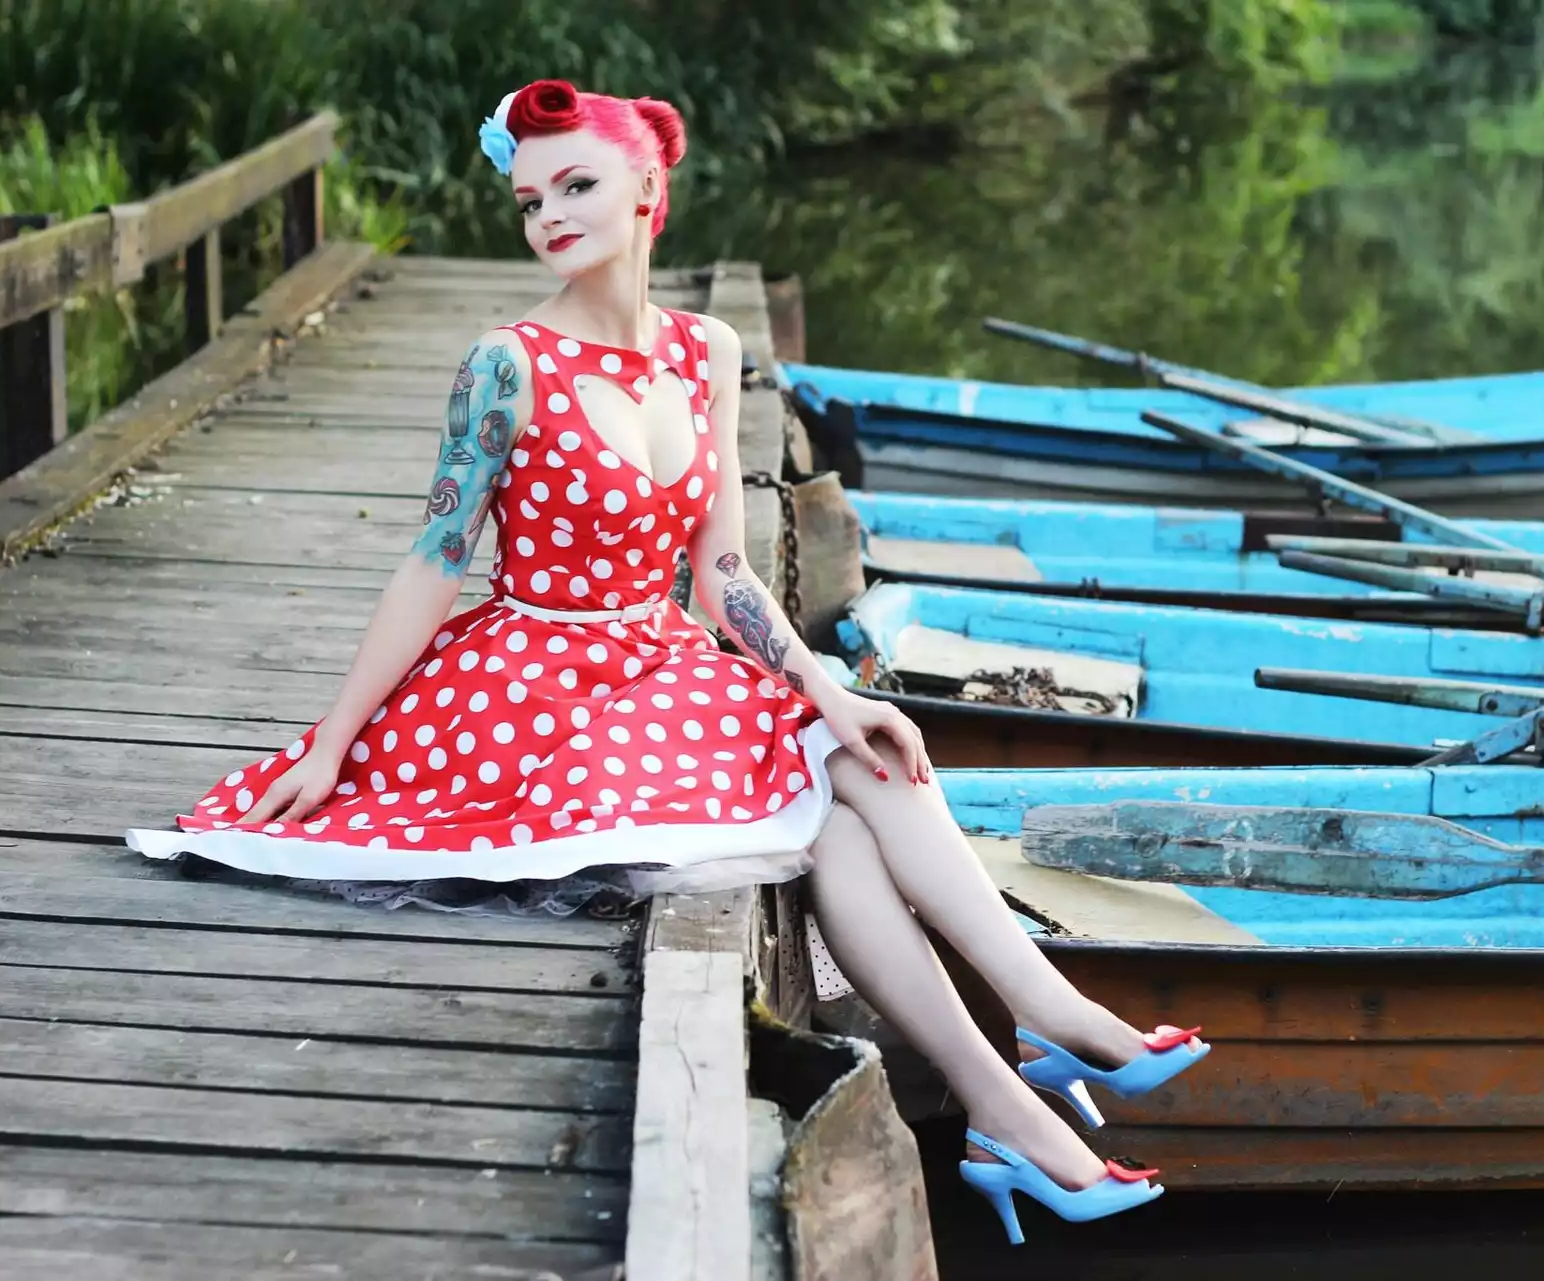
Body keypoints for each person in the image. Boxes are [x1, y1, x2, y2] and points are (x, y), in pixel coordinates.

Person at [125, 78, 1209, 1245]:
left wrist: (827, 689)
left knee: (864, 764)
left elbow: (724, 580)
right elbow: (434, 563)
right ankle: (1039, 1041)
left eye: (576, 185)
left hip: (663, 660)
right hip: (534, 690)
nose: (548, 215)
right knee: (834, 809)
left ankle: (1020, 1072)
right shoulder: (507, 363)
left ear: (649, 188)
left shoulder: (706, 349)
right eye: (531, 199)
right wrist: (335, 744)